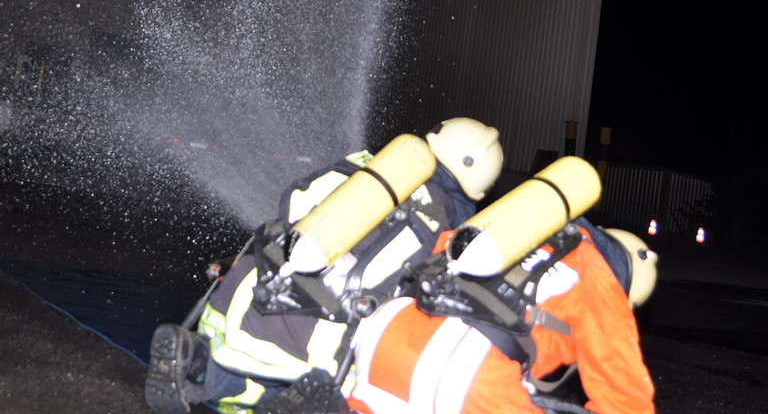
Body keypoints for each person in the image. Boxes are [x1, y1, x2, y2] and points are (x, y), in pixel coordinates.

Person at [144, 118, 505, 414]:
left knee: (243, 373)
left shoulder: (363, 166)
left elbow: (291, 202)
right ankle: (301, 404)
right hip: (320, 345)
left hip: (246, 303)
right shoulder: (451, 229)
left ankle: (195, 358)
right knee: (344, 389)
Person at [338, 222, 658, 414]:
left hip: (386, 333)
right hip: (464, 369)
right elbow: (625, 400)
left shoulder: (524, 227)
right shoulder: (598, 276)